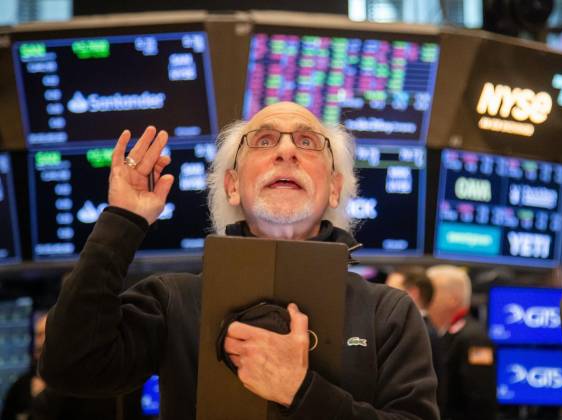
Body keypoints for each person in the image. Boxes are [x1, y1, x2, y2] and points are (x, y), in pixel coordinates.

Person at [39, 102, 439, 419]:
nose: (286, 151)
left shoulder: (387, 312)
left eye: (307, 142)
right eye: (264, 141)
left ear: (334, 189)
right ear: (232, 186)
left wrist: (301, 392)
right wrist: (122, 220)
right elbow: (69, 366)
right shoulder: (175, 300)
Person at [2, 314, 145, 420]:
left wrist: (44, 395)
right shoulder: (21, 386)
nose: (39, 342)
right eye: (37, 335)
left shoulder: (80, 380)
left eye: (45, 334)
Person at [426, 265, 496, 420]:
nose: (426, 300)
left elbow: (481, 400)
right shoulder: (444, 334)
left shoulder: (474, 339)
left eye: (431, 293)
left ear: (452, 300)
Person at [385, 267, 446, 409]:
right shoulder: (430, 330)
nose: (383, 298)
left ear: (413, 293)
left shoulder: (419, 333)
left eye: (389, 291)